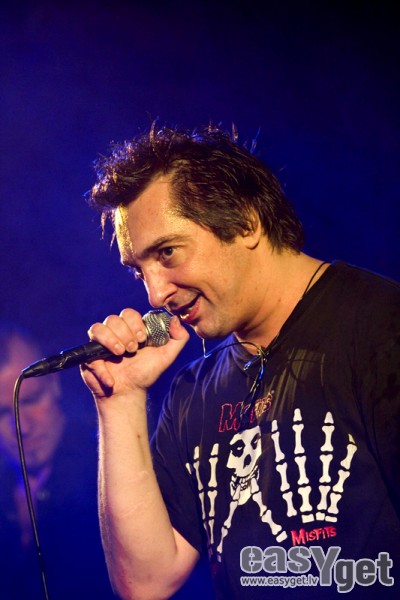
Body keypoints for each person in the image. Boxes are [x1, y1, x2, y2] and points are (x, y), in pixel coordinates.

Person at [81, 122, 400, 599]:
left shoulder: (380, 328)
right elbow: (144, 583)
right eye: (139, 271)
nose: (155, 294)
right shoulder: (194, 392)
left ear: (246, 222)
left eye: (167, 252)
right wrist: (120, 399)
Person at [0, 323, 116, 599]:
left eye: (30, 400)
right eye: (3, 413)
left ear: (54, 385)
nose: (23, 426)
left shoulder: (107, 468)